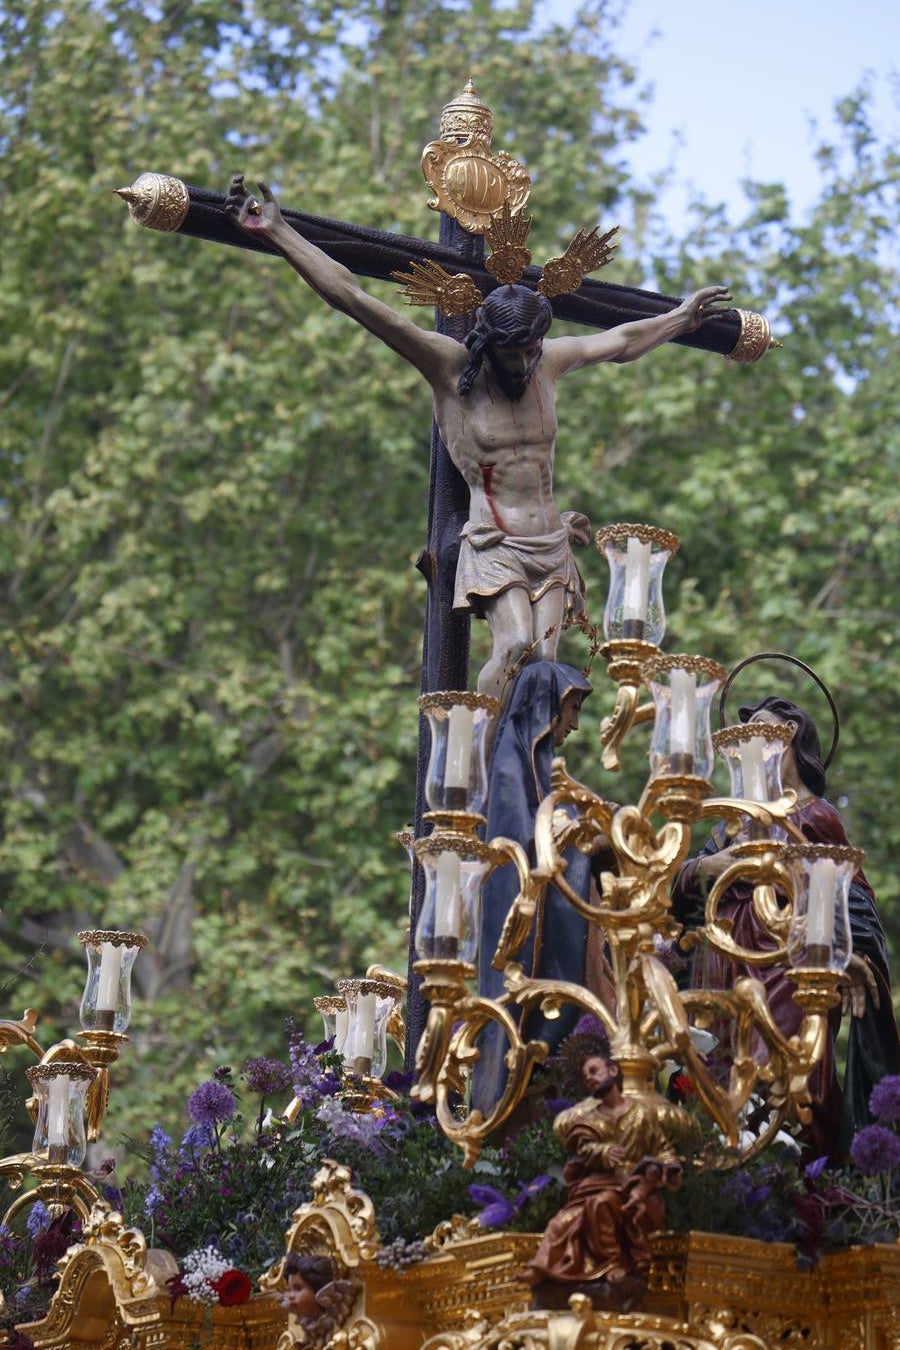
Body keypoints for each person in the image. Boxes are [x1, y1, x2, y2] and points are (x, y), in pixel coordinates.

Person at [224, 175, 732, 696]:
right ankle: (479, 763)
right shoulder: (449, 367)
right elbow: (354, 299)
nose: (526, 361)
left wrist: (679, 318)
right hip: (496, 542)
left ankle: (530, 770)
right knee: (514, 649)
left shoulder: (548, 362)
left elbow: (621, 340)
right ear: (490, 343)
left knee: (547, 665)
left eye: (533, 349)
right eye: (515, 353)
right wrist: (280, 234)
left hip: (551, 542)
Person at [671, 694, 900, 1156]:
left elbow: (851, 901)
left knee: (792, 1082)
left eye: (759, 729)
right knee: (719, 1079)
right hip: (724, 967)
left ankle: (799, 1180)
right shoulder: (731, 831)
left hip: (789, 970)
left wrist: (844, 952)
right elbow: (676, 894)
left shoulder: (817, 818)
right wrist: (706, 867)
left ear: (790, 733)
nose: (748, 742)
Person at [473, 661, 610, 1114]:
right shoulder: (511, 766)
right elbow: (523, 844)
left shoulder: (544, 765)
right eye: (570, 709)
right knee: (527, 1010)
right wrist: (578, 832)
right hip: (522, 919)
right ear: (544, 707)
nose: (574, 723)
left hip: (552, 913)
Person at [525, 1047, 679, 1294]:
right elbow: (583, 1150)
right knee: (559, 1222)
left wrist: (667, 1168)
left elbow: (663, 1149)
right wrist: (603, 1152)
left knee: (601, 1205)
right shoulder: (590, 1120)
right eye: (587, 1076)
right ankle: (540, 1267)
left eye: (595, 1071)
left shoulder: (641, 1114)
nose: (590, 1078)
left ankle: (613, 1263)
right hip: (597, 1184)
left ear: (614, 1070)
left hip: (632, 1189)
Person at [281, 1253, 356, 1348]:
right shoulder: (307, 1322)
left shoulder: (332, 1316)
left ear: (320, 1290)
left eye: (298, 1289)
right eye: (289, 1289)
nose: (290, 1296)